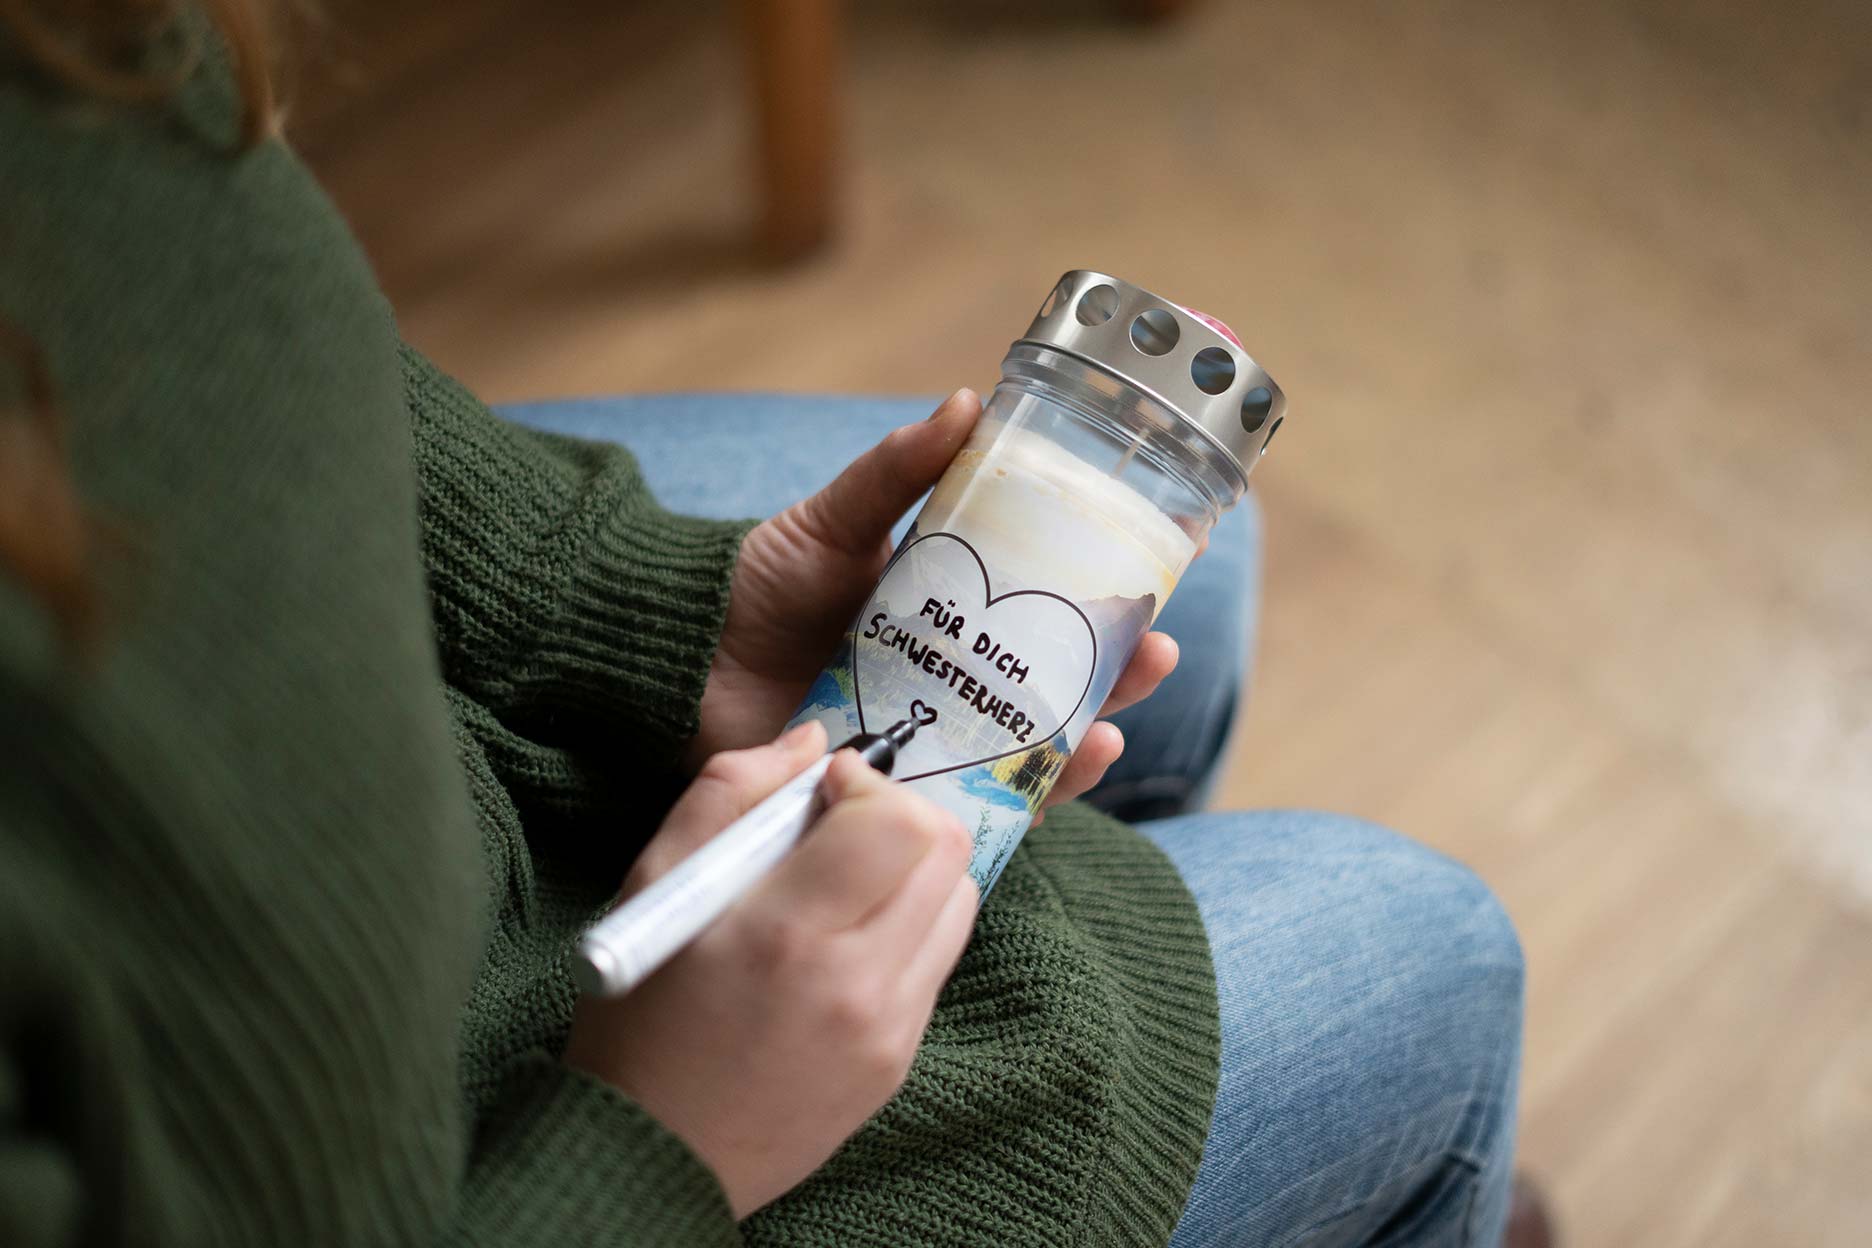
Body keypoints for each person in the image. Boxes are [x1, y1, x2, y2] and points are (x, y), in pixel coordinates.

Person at [0, 5, 1531, 1245]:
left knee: (1206, 564)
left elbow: (200, 333)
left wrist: (620, 604)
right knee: (1443, 957)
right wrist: (653, 1149)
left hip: (421, 767)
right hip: (525, 1148)